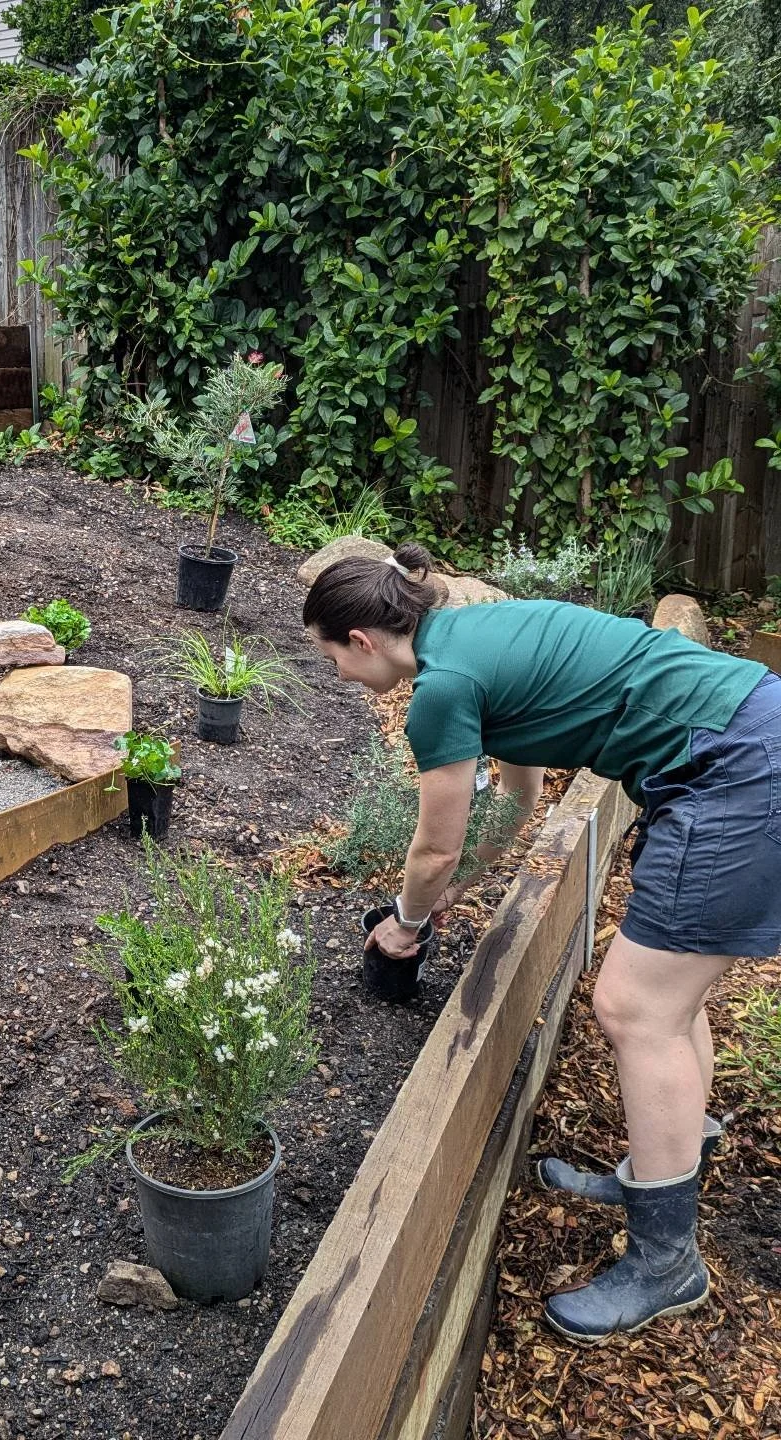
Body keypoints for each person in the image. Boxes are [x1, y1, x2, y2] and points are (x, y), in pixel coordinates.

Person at [302, 541, 778, 1343]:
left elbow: (433, 847)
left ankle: (668, 1261)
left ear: (360, 640)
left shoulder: (441, 690)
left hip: (734, 770)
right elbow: (517, 803)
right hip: (744, 733)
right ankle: (669, 1160)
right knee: (673, 992)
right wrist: (462, 887)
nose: (342, 679)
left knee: (635, 1009)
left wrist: (408, 922)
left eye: (332, 660)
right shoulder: (476, 636)